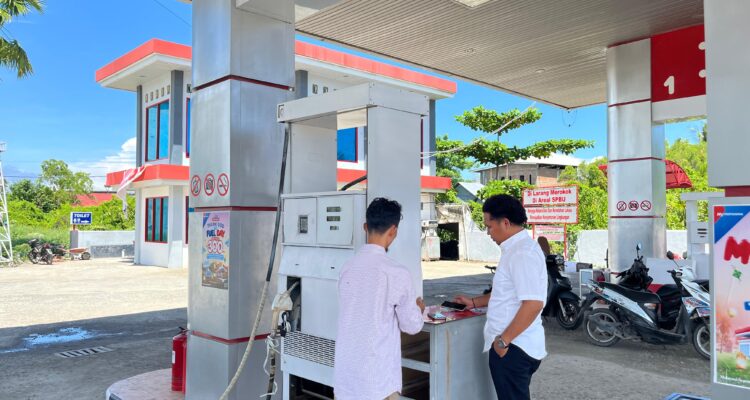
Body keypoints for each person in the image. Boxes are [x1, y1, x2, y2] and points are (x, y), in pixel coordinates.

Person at [453, 194, 547, 400]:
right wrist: (474, 302)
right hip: (514, 345)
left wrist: (503, 342)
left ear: (505, 223)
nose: (488, 233)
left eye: (489, 226)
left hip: (514, 347)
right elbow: (507, 293)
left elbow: (533, 304)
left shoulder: (522, 253)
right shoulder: (516, 249)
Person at [334, 197, 426, 400]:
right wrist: (418, 309)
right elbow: (411, 326)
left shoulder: (347, 268)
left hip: (346, 378)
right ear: (393, 231)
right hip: (377, 382)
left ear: (365, 227)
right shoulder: (396, 273)